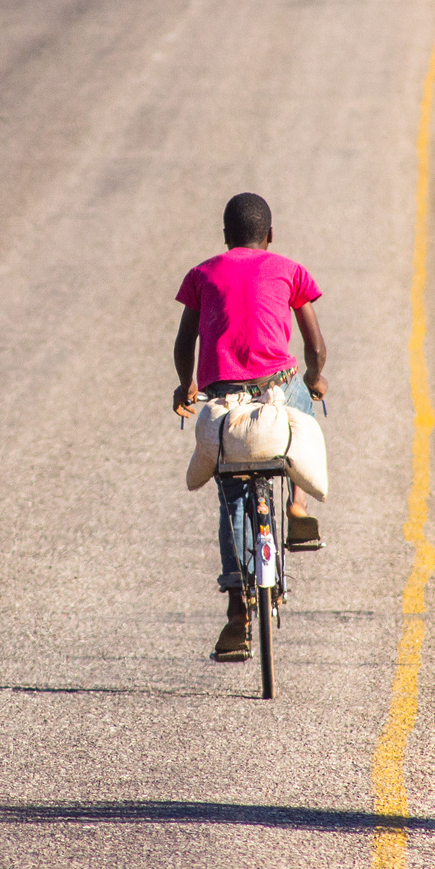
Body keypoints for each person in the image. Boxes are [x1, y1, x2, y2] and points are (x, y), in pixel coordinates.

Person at [172, 192, 328, 662]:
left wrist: (185, 385)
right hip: (276, 387)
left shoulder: (201, 274)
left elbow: (184, 341)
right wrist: (315, 378)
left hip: (224, 402)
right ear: (271, 234)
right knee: (302, 421)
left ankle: (238, 609)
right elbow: (315, 345)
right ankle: (298, 505)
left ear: (225, 237)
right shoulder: (289, 269)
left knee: (233, 498)